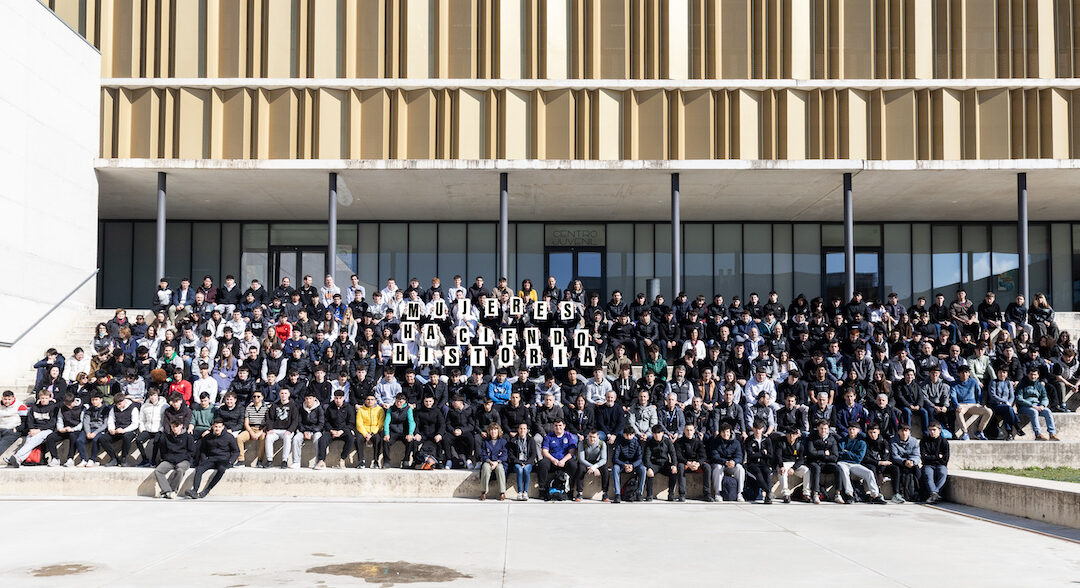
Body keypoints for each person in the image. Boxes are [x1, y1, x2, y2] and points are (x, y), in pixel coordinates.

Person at [186, 418, 240, 499]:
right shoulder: (208, 437)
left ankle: (207, 490)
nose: (217, 429)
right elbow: (203, 450)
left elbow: (236, 451)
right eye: (215, 427)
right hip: (211, 459)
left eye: (219, 427)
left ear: (222, 427)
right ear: (212, 427)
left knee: (221, 469)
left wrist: (231, 461)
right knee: (199, 469)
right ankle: (194, 490)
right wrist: (203, 460)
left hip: (223, 459)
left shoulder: (229, 437)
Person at [836, 423, 886, 504]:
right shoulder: (842, 440)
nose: (851, 431)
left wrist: (847, 452)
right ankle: (849, 494)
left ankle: (875, 495)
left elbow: (859, 458)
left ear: (858, 430)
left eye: (854, 429)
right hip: (843, 462)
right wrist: (851, 454)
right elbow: (839, 454)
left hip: (855, 464)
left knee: (869, 472)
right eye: (850, 429)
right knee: (844, 470)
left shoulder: (862, 442)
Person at [8, 390, 59, 467]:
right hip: (34, 430)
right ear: (39, 398)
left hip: (47, 430)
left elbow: (52, 423)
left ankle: (17, 456)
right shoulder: (34, 407)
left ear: (50, 398)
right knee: (29, 439)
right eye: (42, 398)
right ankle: (19, 460)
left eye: (46, 398)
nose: (44, 400)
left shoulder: (53, 408)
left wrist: (38, 430)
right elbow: (30, 420)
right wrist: (31, 429)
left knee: (34, 439)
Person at [537, 419, 578, 500]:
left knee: (573, 465)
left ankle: (570, 491)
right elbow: (544, 451)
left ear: (564, 426)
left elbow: (572, 452)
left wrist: (563, 461)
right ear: (553, 426)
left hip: (564, 462)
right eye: (556, 425)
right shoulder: (549, 436)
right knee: (542, 463)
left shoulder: (569, 436)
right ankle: (542, 490)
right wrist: (553, 460)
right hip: (553, 462)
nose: (558, 427)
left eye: (560, 425)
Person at [1016, 367, 1059, 441]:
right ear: (1027, 374)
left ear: (1038, 375)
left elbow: (1045, 397)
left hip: (1038, 405)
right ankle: (1038, 434)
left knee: (1048, 411)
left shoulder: (1039, 385)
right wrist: (1032, 405)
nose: (1033, 377)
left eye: (1035, 375)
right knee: (1034, 412)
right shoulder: (1022, 384)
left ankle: (1052, 433)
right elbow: (1019, 398)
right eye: (1031, 374)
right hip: (1025, 406)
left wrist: (1043, 405)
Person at [155, 420, 195, 499]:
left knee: (180, 470)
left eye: (177, 426)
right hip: (169, 460)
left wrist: (184, 457)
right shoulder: (167, 437)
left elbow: (192, 451)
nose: (175, 428)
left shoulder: (188, 437)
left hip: (183, 460)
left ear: (181, 426)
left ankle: (173, 490)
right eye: (173, 426)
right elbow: (163, 450)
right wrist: (167, 458)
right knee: (158, 470)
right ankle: (167, 491)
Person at [949, 365, 991, 440]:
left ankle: (979, 431)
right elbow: (953, 396)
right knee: (959, 412)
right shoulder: (954, 384)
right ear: (959, 374)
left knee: (989, 411)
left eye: (966, 372)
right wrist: (957, 405)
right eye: (962, 373)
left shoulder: (973, 382)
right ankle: (965, 432)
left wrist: (979, 403)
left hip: (973, 405)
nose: (964, 374)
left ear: (969, 373)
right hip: (961, 404)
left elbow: (979, 394)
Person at [803, 419, 840, 504]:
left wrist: (819, 453)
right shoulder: (811, 437)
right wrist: (824, 453)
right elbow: (810, 453)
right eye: (821, 428)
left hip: (826, 463)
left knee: (837, 468)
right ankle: (815, 494)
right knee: (816, 468)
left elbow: (835, 457)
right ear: (817, 428)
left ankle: (838, 494)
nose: (823, 430)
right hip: (813, 462)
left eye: (825, 429)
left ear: (828, 429)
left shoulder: (832, 439)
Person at [705, 423, 744, 502]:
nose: (725, 434)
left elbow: (739, 456)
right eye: (723, 432)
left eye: (727, 432)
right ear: (720, 433)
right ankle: (717, 493)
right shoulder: (715, 442)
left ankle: (739, 493)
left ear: (730, 432)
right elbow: (714, 456)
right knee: (718, 468)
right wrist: (725, 462)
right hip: (720, 464)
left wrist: (734, 461)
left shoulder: (736, 442)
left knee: (740, 469)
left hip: (732, 465)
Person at [263, 388, 299, 468]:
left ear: (289, 394)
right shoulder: (274, 405)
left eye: (285, 393)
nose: (284, 395)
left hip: (287, 430)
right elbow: (269, 419)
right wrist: (270, 429)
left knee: (287, 438)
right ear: (279, 394)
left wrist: (290, 430)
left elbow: (295, 421)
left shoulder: (293, 406)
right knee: (268, 437)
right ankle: (269, 460)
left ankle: (284, 461)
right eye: (282, 393)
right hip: (275, 430)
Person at [742, 419, 774, 504]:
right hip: (753, 464)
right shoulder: (749, 440)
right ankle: (768, 492)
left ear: (763, 429)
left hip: (764, 463)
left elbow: (770, 455)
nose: (757, 431)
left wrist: (758, 453)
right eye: (756, 429)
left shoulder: (767, 440)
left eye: (759, 429)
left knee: (767, 472)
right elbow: (750, 455)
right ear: (753, 429)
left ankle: (768, 497)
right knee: (758, 473)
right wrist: (763, 453)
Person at [674, 423, 708, 502]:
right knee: (680, 467)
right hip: (685, 464)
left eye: (691, 430)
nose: (689, 432)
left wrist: (698, 463)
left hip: (696, 465)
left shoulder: (698, 442)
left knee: (707, 467)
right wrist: (687, 463)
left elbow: (703, 456)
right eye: (687, 430)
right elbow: (678, 456)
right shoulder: (679, 442)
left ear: (694, 431)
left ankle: (707, 494)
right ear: (684, 431)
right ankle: (682, 494)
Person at [643, 424, 677, 501]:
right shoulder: (650, 442)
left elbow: (673, 454)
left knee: (673, 471)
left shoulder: (667, 441)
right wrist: (649, 467)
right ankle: (649, 495)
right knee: (649, 473)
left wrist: (674, 465)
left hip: (665, 464)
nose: (657, 435)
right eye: (654, 433)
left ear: (662, 433)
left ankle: (671, 494)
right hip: (654, 464)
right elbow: (646, 457)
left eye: (658, 433)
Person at [774, 427, 809, 503]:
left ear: (797, 435)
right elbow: (778, 456)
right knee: (782, 472)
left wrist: (793, 468)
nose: (791, 437)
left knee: (806, 471)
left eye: (793, 434)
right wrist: (781, 466)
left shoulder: (799, 444)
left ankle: (806, 493)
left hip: (794, 464)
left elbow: (801, 459)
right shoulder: (781, 442)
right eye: (789, 434)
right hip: (784, 463)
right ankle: (786, 494)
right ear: (786, 435)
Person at [986, 367, 1023, 440]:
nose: (1002, 374)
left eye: (1004, 372)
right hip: (995, 405)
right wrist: (1004, 401)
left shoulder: (1008, 383)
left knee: (1007, 412)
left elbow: (1012, 396)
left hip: (1006, 406)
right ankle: (1016, 425)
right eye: (1000, 372)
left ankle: (1009, 434)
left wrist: (1009, 402)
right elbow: (993, 395)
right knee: (1009, 409)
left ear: (1007, 374)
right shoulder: (993, 382)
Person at [291, 392, 325, 469]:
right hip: (304, 430)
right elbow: (299, 422)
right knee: (296, 439)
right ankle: (296, 462)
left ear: (314, 399)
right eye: (306, 399)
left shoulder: (319, 408)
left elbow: (321, 424)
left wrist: (312, 431)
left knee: (317, 438)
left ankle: (317, 462)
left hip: (315, 431)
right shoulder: (301, 408)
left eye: (310, 398)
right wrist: (304, 431)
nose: (308, 401)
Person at [890, 424, 922, 503]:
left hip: (911, 462)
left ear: (909, 432)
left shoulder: (914, 441)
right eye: (902, 431)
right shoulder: (893, 441)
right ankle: (896, 494)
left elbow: (917, 455)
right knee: (896, 469)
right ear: (898, 432)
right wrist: (904, 461)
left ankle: (918, 492)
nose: (904, 433)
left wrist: (912, 461)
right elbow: (894, 456)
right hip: (899, 463)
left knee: (917, 469)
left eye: (906, 431)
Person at [135, 387, 166, 466]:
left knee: (156, 442)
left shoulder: (165, 406)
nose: (152, 397)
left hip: (159, 429)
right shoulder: (144, 406)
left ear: (158, 396)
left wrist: (161, 429)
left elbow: (165, 420)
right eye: (151, 395)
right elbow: (141, 419)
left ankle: (153, 460)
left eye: (154, 395)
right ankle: (145, 459)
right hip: (148, 429)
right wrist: (142, 429)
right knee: (138, 440)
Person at [382, 393, 415, 468]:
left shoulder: (408, 409)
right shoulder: (391, 409)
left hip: (404, 432)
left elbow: (411, 422)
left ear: (404, 402)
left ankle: (406, 460)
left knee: (411, 441)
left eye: (401, 402)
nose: (399, 403)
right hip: (393, 431)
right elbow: (387, 422)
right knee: (385, 441)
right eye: (397, 401)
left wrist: (410, 433)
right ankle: (386, 461)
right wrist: (386, 434)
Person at [920, 422, 950, 504]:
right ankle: (935, 494)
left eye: (934, 430)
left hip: (940, 465)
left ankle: (934, 493)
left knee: (943, 473)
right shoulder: (924, 441)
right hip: (928, 465)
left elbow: (945, 458)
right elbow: (924, 457)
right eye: (930, 430)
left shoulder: (944, 441)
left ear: (939, 430)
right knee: (928, 475)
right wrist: (937, 457)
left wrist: (931, 457)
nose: (932, 432)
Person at [507, 422, 538, 501]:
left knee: (526, 469)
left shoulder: (531, 440)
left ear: (527, 430)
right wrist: (519, 462)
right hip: (517, 462)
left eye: (524, 429)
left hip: (528, 462)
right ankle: (520, 492)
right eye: (521, 428)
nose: (522, 430)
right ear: (518, 430)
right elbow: (511, 455)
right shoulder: (513, 440)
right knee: (520, 470)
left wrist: (526, 463)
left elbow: (533, 454)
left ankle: (525, 492)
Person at [478, 422, 507, 501]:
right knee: (485, 468)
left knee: (500, 469)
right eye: (491, 430)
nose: (493, 432)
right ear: (489, 431)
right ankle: (484, 492)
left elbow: (504, 455)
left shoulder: (503, 442)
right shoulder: (485, 442)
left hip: (499, 462)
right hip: (488, 462)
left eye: (495, 430)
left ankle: (502, 492)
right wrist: (489, 461)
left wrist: (497, 462)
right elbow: (483, 454)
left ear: (498, 431)